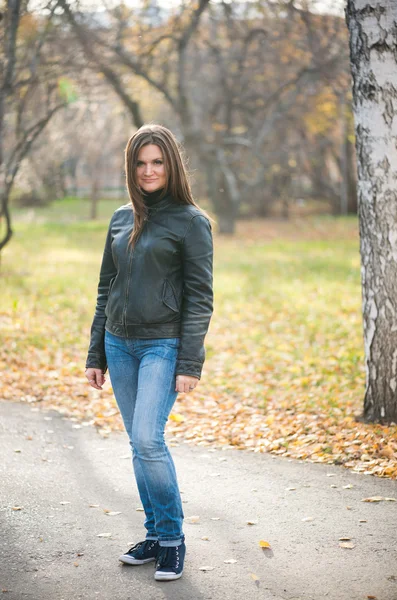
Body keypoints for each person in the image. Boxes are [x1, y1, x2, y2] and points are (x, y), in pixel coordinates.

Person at [84, 123, 214, 582]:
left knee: (147, 439)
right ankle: (156, 535)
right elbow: (106, 286)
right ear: (131, 167)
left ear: (171, 164)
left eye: (157, 161)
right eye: (141, 162)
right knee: (140, 447)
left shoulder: (192, 222)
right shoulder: (121, 218)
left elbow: (200, 297)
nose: (148, 170)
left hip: (163, 344)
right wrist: (95, 352)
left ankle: (173, 539)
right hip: (119, 344)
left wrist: (189, 363)